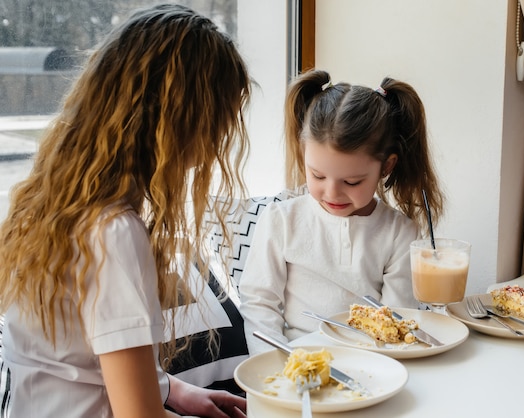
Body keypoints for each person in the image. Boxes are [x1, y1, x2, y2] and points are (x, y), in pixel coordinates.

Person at [0, 4, 251, 417]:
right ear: (181, 120)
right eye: (221, 118)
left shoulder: (53, 202)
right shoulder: (114, 232)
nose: (223, 136)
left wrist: (174, 390)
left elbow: (79, 364)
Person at [239, 69, 445, 354]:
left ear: (386, 167)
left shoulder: (399, 232)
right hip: (294, 358)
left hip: (372, 361)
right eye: (318, 176)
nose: (332, 193)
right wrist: (279, 363)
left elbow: (396, 318)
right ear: (304, 157)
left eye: (352, 182)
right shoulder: (281, 220)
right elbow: (259, 305)